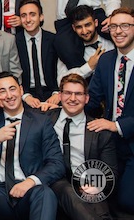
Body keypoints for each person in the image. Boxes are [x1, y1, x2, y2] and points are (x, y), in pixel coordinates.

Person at [0, 72, 64, 220]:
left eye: (12, 89)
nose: (9, 95)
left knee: (45, 193)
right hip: (0, 191)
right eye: (2, 91)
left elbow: (57, 163)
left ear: (21, 90)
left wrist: (30, 182)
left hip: (31, 189)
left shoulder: (41, 122)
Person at [48, 73, 116, 220]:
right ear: (59, 96)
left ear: (87, 98)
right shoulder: (45, 120)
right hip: (54, 182)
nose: (72, 98)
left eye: (78, 94)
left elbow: (111, 170)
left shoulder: (100, 131)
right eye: (67, 93)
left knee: (101, 212)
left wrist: (98, 186)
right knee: (66, 189)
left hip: (86, 182)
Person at [87, 7, 134, 213]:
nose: (118, 31)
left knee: (126, 202)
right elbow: (92, 99)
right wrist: (65, 102)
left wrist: (116, 125)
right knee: (99, 197)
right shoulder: (106, 60)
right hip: (109, 144)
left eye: (125, 26)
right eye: (114, 26)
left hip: (132, 142)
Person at [17, 0, 61, 106]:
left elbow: (61, 69)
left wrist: (57, 93)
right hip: (26, 94)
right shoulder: (14, 42)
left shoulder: (53, 39)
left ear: (41, 17)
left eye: (32, 14)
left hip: (52, 92)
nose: (28, 20)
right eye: (23, 15)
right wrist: (25, 96)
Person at [57, 5, 113, 81]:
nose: (84, 31)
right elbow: (61, 80)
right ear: (73, 28)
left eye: (88, 25)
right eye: (79, 27)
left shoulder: (112, 41)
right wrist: (89, 67)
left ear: (96, 23)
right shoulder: (68, 50)